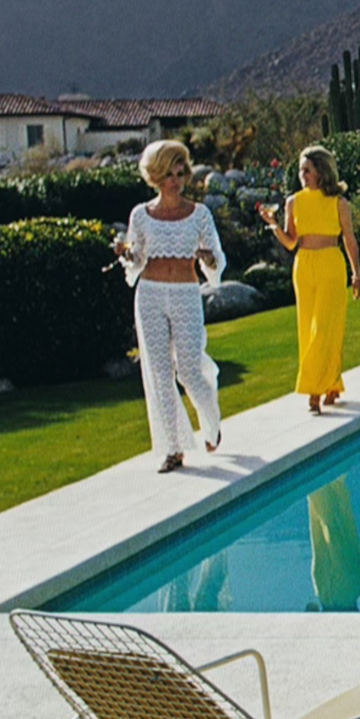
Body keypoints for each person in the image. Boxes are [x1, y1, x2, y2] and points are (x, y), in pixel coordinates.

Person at [114, 138, 226, 470]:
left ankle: (211, 419)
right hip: (149, 294)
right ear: (155, 177)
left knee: (190, 370)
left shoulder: (200, 215)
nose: (175, 180)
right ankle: (173, 448)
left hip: (185, 294)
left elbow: (216, 259)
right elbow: (135, 261)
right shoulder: (141, 215)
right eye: (168, 174)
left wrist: (207, 258)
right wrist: (126, 254)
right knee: (159, 373)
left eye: (180, 173)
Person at [271, 143, 360, 411]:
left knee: (326, 328)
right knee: (308, 328)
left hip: (331, 264)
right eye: (301, 170)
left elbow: (349, 239)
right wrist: (274, 225)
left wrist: (357, 274)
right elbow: (290, 243)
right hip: (303, 266)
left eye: (308, 170)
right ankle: (331, 382)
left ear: (322, 171)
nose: (303, 175)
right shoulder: (293, 202)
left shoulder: (339, 203)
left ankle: (314, 389)